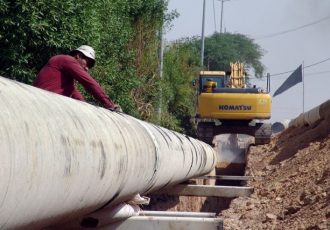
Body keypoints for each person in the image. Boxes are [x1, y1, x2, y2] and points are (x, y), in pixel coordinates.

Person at [33, 45, 122, 111]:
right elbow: (89, 82)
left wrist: (85, 106)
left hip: (45, 103)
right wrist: (109, 104)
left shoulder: (67, 81)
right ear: (78, 56)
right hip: (42, 102)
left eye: (90, 66)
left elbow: (75, 94)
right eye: (87, 63)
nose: (87, 68)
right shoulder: (67, 60)